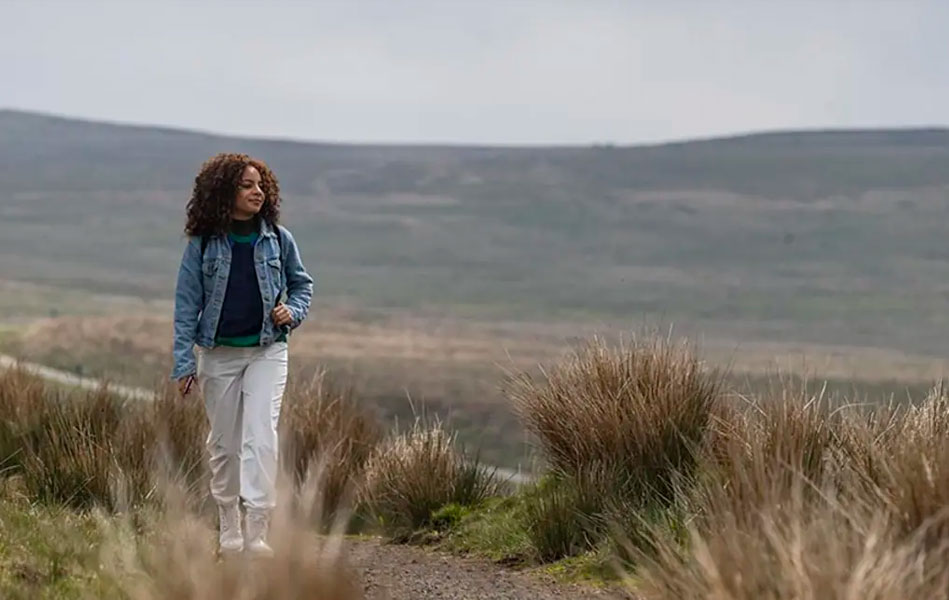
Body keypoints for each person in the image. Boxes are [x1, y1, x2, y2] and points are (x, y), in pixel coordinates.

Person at [171, 153, 314, 556]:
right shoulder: (203, 245)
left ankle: (257, 531)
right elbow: (186, 306)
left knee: (261, 437)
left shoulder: (278, 239)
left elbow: (302, 285)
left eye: (260, 185)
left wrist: (293, 311)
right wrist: (184, 363)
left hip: (267, 351)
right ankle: (228, 525)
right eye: (247, 185)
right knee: (224, 444)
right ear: (224, 192)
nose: (258, 192)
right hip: (218, 355)